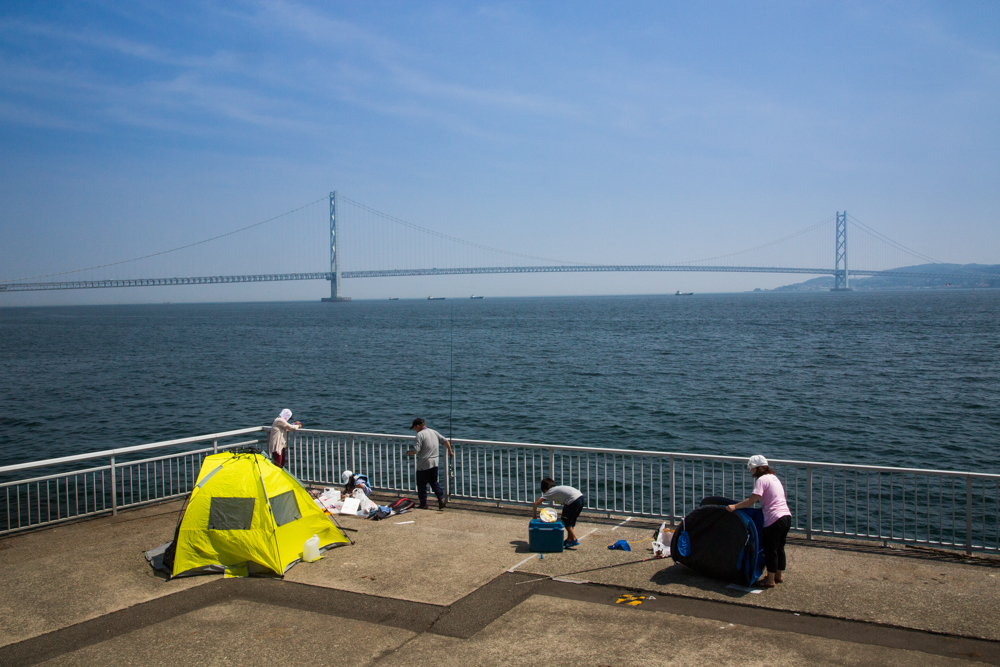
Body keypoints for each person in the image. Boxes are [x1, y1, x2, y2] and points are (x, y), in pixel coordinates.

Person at [727, 455, 792, 588]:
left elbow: (752, 500)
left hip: (774, 518)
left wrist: (734, 506)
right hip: (786, 516)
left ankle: (770, 580)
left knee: (770, 549)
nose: (752, 473)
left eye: (753, 469)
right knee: (779, 548)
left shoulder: (762, 480)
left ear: (760, 468)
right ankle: (778, 575)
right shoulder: (774, 478)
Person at [406, 418, 454, 510]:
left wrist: (408, 452)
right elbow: (445, 441)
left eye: (414, 428)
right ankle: (441, 499)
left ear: (417, 426)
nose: (414, 430)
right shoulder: (433, 432)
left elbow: (416, 450)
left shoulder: (419, 435)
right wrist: (450, 452)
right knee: (434, 482)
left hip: (424, 464)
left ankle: (423, 503)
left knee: (421, 484)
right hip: (435, 462)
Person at [532, 478, 585, 548]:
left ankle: (574, 539)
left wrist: (534, 517)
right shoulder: (556, 489)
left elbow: (535, 503)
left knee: (565, 520)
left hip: (573, 500)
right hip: (580, 498)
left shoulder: (550, 491)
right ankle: (569, 539)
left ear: (545, 489)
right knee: (571, 520)